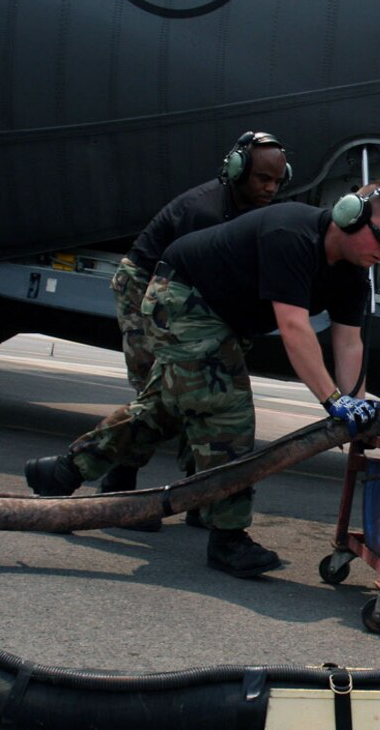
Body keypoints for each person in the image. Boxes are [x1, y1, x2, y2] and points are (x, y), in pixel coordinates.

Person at [24, 180, 380, 578]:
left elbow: (349, 343)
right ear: (348, 216)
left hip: (222, 318)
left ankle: (61, 472)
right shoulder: (293, 235)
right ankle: (228, 538)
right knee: (226, 412)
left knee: (163, 409)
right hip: (183, 295)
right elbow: (294, 327)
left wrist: (358, 405)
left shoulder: (353, 274)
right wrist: (334, 401)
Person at [102, 131, 291, 531]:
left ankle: (199, 496)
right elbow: (189, 287)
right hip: (147, 288)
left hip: (195, 297)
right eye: (262, 179)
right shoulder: (202, 211)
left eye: (278, 180)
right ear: (237, 170)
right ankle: (117, 485)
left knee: (201, 392)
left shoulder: (246, 210)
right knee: (162, 392)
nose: (271, 189)